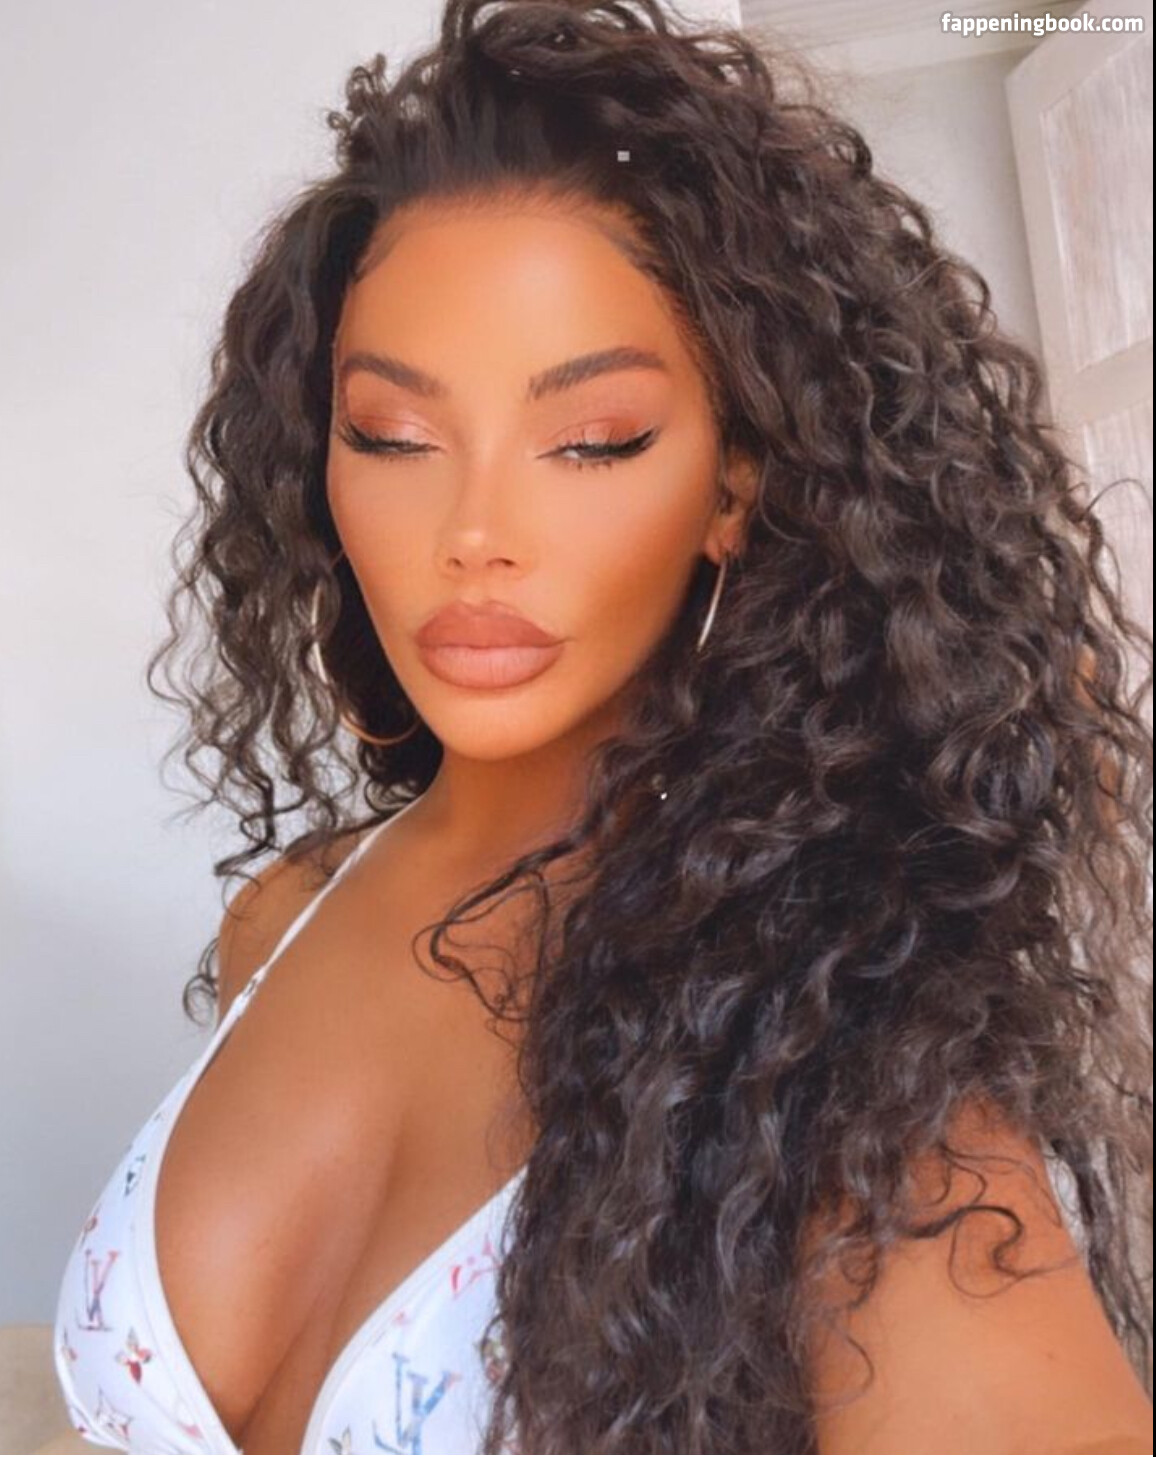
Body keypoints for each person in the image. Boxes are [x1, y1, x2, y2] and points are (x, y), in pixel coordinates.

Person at [55, 0, 1153, 1452]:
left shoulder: (840, 1075)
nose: (474, 532)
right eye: (393, 435)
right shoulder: (282, 919)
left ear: (733, 487)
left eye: (591, 441)